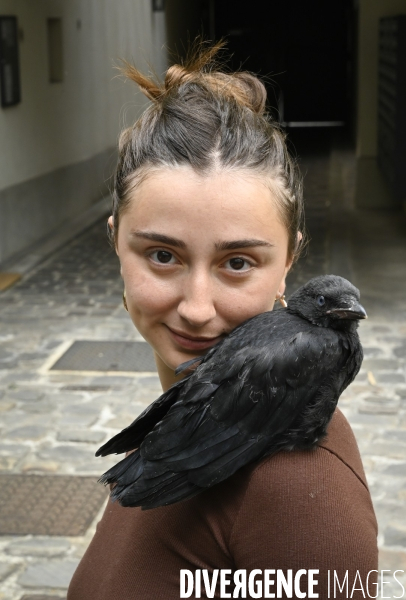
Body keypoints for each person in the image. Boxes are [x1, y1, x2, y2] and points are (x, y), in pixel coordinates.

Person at [67, 43, 378, 599]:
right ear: (115, 240)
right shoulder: (191, 425)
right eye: (162, 255)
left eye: (238, 262)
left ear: (290, 262)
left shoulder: (298, 493)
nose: (196, 306)